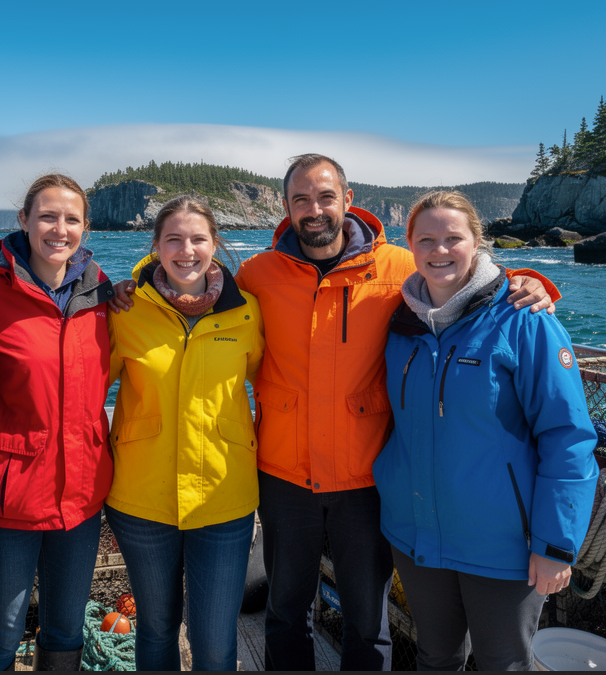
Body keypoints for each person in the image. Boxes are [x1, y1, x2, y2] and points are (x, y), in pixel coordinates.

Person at [107, 154, 556, 671]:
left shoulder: (396, 267)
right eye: (301, 199)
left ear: (347, 199)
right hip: (283, 473)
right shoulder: (258, 275)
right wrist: (131, 283)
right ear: (286, 207)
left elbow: (458, 272)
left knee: (369, 621)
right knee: (284, 611)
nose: (314, 209)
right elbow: (190, 282)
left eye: (325, 197)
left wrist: (525, 281)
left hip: (364, 476)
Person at [372, 191, 598, 671]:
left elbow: (568, 437)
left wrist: (556, 544)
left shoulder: (524, 319)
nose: (440, 250)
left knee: (505, 664)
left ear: (477, 242)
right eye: (427, 239)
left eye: (454, 238)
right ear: (408, 245)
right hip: (415, 536)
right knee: (434, 657)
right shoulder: (397, 325)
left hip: (504, 544)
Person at [105, 196, 265, 670]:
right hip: (141, 498)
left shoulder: (249, 312)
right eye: (173, 238)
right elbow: (87, 384)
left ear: (215, 244)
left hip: (224, 497)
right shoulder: (125, 309)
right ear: (155, 247)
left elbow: (276, 385)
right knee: (155, 631)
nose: (186, 249)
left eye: (198, 238)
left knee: (215, 643)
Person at [0, 174, 115, 671]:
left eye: (72, 219)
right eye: (48, 216)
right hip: (7, 496)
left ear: (86, 227)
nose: (60, 229)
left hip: (81, 496)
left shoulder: (103, 297)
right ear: (24, 221)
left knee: (65, 629)